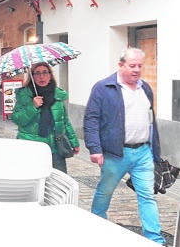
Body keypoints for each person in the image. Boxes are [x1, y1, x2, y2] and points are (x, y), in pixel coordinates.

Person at [84, 47, 165, 245]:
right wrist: (95, 149)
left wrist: (155, 150)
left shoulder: (145, 87)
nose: (137, 70)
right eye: (132, 66)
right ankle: (96, 225)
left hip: (143, 152)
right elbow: (91, 119)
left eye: (140, 66)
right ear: (121, 65)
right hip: (116, 153)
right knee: (105, 191)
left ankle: (155, 239)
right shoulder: (103, 88)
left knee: (147, 196)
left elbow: (150, 119)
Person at [12, 62, 80, 173]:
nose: (41, 76)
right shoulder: (25, 95)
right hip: (31, 147)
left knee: (59, 181)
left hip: (55, 147)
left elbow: (65, 122)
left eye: (45, 72)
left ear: (50, 75)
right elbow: (17, 119)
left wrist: (74, 142)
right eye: (37, 73)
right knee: (34, 181)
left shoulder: (57, 96)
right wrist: (32, 107)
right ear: (32, 76)